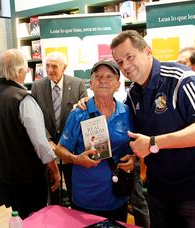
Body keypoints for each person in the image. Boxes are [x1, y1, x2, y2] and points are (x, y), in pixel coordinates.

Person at [110, 30, 195, 228]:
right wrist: (88, 102)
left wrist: (154, 142)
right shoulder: (133, 94)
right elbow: (136, 134)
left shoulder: (181, 78)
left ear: (148, 51)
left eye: (130, 57)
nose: (126, 66)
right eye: (120, 62)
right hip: (159, 192)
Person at [0, 49, 61, 219]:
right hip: (27, 177)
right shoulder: (24, 99)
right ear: (19, 71)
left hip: (3, 174)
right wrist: (54, 169)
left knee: (17, 216)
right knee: (34, 218)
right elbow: (40, 142)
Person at [55, 59, 136, 221]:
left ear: (118, 84)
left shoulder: (127, 112)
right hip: (86, 197)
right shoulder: (78, 113)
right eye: (98, 77)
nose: (103, 80)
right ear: (90, 84)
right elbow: (59, 149)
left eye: (109, 76)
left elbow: (136, 145)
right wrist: (76, 159)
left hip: (117, 196)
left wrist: (134, 158)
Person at [31, 51, 87, 205]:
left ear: (64, 67)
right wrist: (47, 139)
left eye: (54, 66)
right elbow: (35, 118)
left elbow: (84, 114)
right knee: (53, 191)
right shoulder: (37, 86)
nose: (50, 70)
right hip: (47, 148)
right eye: (47, 66)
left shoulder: (78, 84)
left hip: (71, 148)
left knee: (74, 192)